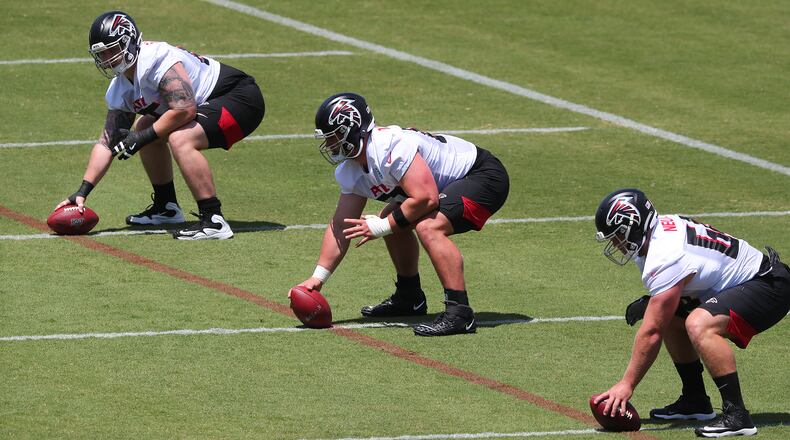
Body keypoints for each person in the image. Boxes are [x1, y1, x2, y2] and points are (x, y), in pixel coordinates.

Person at [298, 92, 509, 336]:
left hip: (482, 175)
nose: (330, 145)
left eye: (334, 137)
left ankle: (460, 313)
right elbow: (339, 227)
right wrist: (317, 278)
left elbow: (426, 197)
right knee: (392, 217)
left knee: (427, 227)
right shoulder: (350, 170)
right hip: (445, 185)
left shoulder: (388, 146)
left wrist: (383, 226)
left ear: (352, 128)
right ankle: (410, 297)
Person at [591, 188, 790, 437]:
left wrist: (626, 385)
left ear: (633, 224)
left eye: (618, 235)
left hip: (768, 286)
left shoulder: (663, 255)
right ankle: (695, 400)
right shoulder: (661, 229)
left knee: (699, 323)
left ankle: (737, 415)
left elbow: (651, 332)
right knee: (671, 316)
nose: (616, 244)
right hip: (752, 281)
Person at [55, 11, 265, 239]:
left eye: (112, 50)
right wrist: (83, 190)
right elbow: (107, 143)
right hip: (210, 102)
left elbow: (184, 109)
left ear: (129, 42)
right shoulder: (120, 87)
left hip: (240, 99)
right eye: (102, 53)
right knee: (145, 124)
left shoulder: (156, 60)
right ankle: (166, 207)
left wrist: (143, 136)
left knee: (178, 138)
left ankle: (213, 220)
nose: (107, 58)